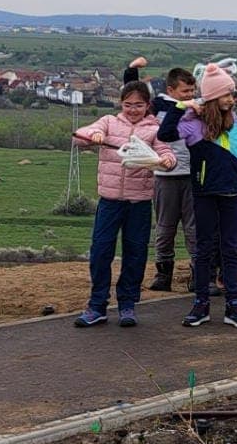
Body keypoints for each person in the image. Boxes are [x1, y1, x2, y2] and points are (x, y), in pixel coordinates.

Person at [71, 81, 178, 327]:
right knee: (100, 251)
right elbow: (80, 136)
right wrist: (93, 135)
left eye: (138, 105)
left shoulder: (155, 128)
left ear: (147, 105)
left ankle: (127, 304)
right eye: (128, 104)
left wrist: (167, 161)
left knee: (136, 253)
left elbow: (166, 152)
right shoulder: (109, 122)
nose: (133, 110)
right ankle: (97, 305)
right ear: (121, 104)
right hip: (109, 201)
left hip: (139, 203)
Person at [173, 62, 237, 329]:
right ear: (211, 97)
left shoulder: (234, 126)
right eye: (226, 94)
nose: (230, 99)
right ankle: (201, 304)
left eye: (231, 94)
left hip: (232, 192)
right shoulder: (194, 126)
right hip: (205, 192)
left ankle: (234, 304)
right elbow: (167, 133)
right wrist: (185, 107)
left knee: (231, 250)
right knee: (204, 249)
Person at [123, 58, 198, 293]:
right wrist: (132, 72)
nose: (189, 94)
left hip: (192, 174)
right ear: (171, 90)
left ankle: (198, 273)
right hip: (165, 176)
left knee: (194, 228)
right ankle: (163, 273)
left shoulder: (197, 107)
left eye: (192, 90)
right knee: (165, 227)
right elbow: (135, 99)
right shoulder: (159, 106)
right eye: (185, 90)